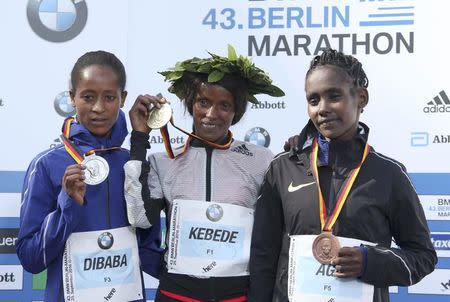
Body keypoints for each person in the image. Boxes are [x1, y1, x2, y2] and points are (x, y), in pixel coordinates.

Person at [248, 48, 437, 302]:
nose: (322, 108)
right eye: (313, 100)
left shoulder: (390, 174)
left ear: (361, 97)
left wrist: (371, 262)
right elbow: (263, 256)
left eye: (333, 96)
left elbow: (423, 257)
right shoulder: (283, 168)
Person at [124, 45, 284, 301]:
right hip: (176, 295)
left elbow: (276, 232)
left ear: (236, 112)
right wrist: (140, 138)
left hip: (237, 296)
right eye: (203, 102)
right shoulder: (163, 161)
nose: (212, 114)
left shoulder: (262, 160)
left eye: (224, 105)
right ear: (190, 105)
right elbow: (140, 218)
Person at [17, 50, 162, 302]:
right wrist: (67, 206)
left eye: (109, 97)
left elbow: (148, 251)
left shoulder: (133, 163)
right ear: (72, 97)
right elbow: (31, 258)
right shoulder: (47, 165)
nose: (98, 108)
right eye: (88, 97)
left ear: (123, 98)